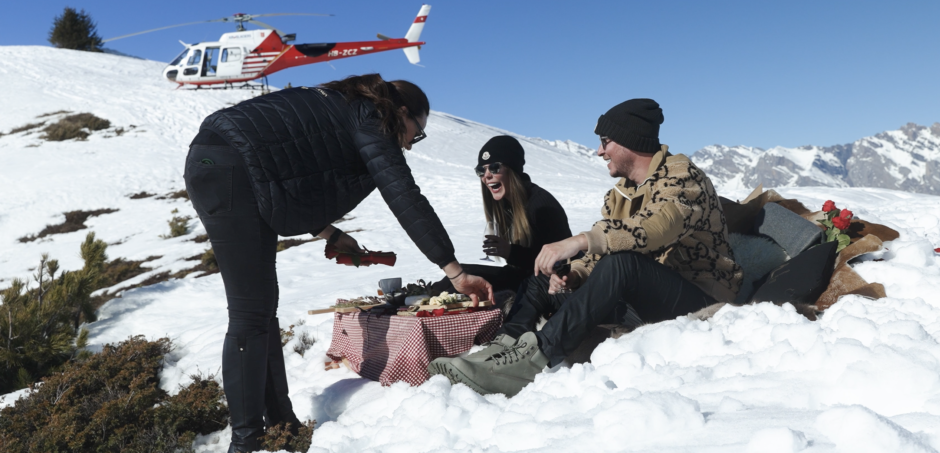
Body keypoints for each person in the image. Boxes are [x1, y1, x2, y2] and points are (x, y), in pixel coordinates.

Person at [183, 74, 493, 452]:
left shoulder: (343, 106)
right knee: (250, 313)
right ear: (402, 112)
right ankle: (247, 443)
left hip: (226, 163)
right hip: (228, 167)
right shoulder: (372, 116)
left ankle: (281, 422)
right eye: (417, 132)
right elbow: (404, 195)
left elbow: (289, 169)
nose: (411, 143)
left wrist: (330, 234)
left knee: (262, 308)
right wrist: (455, 272)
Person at [429, 99, 744, 397]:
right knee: (544, 276)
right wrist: (575, 273)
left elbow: (656, 228)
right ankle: (502, 348)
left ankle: (531, 360)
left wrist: (580, 240)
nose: (599, 151)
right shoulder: (619, 196)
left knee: (622, 264)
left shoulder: (683, 177)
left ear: (629, 141)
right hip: (644, 300)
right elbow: (598, 257)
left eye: (605, 141)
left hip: (699, 300)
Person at [434, 135, 572, 293]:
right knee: (456, 277)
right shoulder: (506, 203)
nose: (486, 175)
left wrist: (511, 252)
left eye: (494, 168)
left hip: (544, 285)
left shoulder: (540, 205)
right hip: (520, 277)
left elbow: (560, 263)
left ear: (511, 169)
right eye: (481, 170)